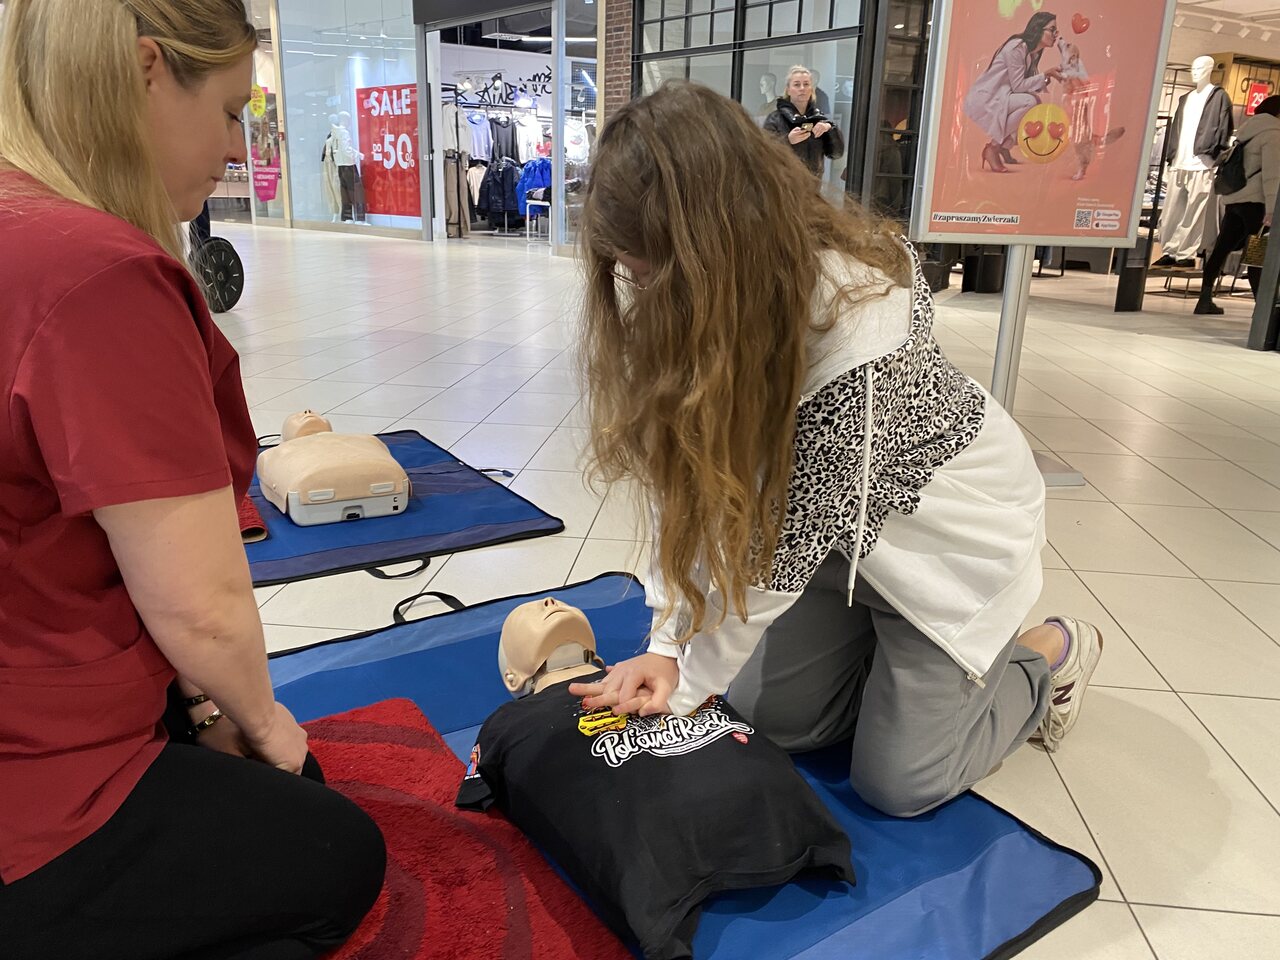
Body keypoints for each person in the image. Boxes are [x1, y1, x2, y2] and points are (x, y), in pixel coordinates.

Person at [569, 81, 1104, 819]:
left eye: (649, 273)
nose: (641, 291)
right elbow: (687, 487)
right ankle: (891, 672)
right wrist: (667, 641)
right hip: (841, 544)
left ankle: (1049, 654)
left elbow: (778, 553)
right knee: (779, 722)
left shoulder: (858, 334)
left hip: (947, 544)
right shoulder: (723, 295)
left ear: (711, 252)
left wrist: (684, 683)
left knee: (902, 783)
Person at [0, 2, 386, 957]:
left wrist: (201, 704)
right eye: (228, 112)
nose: (235, 148)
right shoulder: (97, 275)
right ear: (145, 71)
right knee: (335, 851)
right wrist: (266, 728)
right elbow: (201, 607)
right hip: (39, 785)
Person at [1196, 95, 1280, 315]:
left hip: (1235, 199)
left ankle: (1204, 299)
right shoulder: (1273, 134)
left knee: (1221, 249)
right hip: (1257, 203)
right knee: (1256, 254)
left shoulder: (1245, 132)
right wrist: (1272, 209)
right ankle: (1263, 310)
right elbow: (1273, 175)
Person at [963, 11, 1064, 173]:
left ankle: (1004, 146)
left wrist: (1046, 78)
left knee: (1035, 102)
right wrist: (1045, 75)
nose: (1055, 35)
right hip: (988, 97)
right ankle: (993, 148)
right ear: (1038, 29)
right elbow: (1018, 86)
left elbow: (1024, 83)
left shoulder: (1031, 51)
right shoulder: (1017, 48)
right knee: (1030, 102)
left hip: (1001, 95)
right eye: (1052, 30)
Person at [764, 66, 845, 177]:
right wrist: (787, 140)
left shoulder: (819, 119)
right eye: (797, 84)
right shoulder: (775, 118)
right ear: (788, 89)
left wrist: (829, 128)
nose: (802, 88)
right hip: (783, 183)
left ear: (811, 89)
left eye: (806, 84)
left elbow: (836, 154)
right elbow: (764, 154)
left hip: (813, 184)